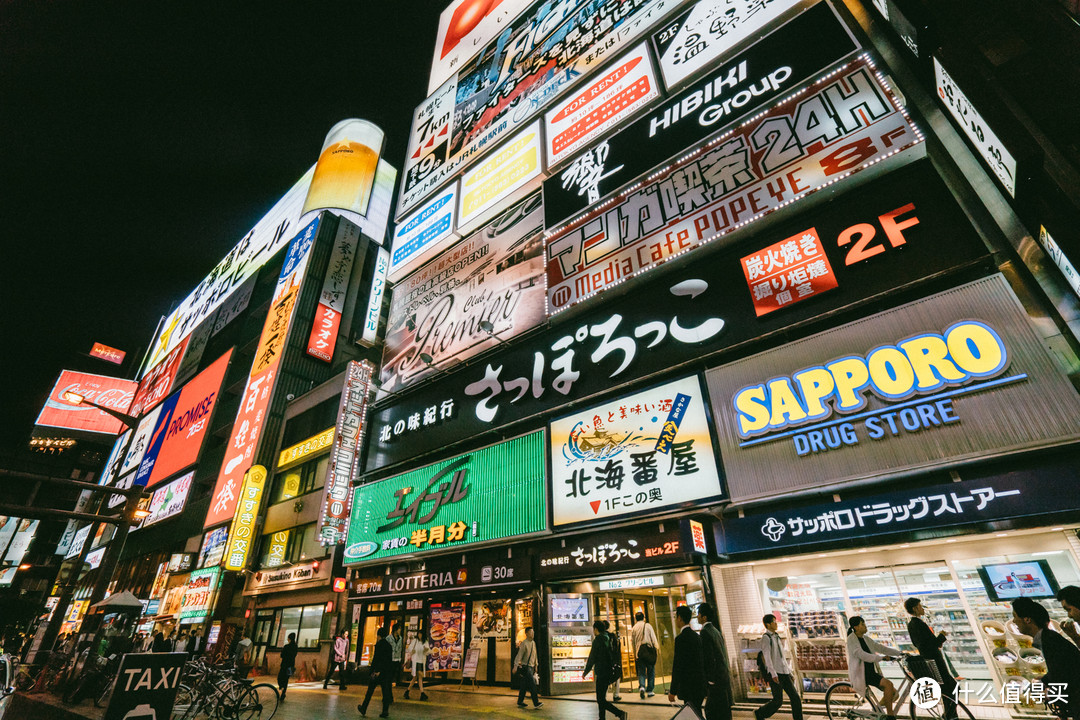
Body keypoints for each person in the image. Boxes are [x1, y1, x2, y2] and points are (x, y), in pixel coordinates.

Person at [1013, 597, 1080, 720]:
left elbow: (1064, 675)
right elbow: (1061, 668)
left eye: (1015, 616)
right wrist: (1045, 680)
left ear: (1027, 619)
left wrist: (1048, 693)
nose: (1014, 621)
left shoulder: (1049, 640)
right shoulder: (1048, 637)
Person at [905, 598, 958, 719]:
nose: (922, 608)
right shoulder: (918, 624)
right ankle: (949, 715)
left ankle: (950, 715)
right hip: (935, 662)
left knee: (948, 689)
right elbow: (931, 645)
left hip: (931, 662)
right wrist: (942, 636)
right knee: (953, 688)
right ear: (915, 608)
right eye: (920, 606)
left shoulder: (912, 625)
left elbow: (920, 644)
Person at [845, 616, 903, 719]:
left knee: (894, 694)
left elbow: (880, 648)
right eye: (862, 624)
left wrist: (899, 653)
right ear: (856, 627)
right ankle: (890, 716)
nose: (865, 626)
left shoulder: (865, 639)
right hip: (862, 674)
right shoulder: (851, 639)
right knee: (888, 685)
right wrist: (880, 658)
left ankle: (877, 710)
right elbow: (861, 654)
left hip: (871, 672)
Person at [756, 614, 803, 720]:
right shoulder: (766, 638)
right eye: (774, 622)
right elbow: (767, 657)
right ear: (768, 624)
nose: (776, 623)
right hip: (776, 673)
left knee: (795, 698)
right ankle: (760, 713)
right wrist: (773, 673)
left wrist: (789, 671)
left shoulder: (776, 636)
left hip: (784, 672)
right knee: (778, 701)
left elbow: (782, 657)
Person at [583, 619, 626, 720]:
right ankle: (602, 718)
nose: (593, 631)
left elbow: (592, 658)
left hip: (602, 672)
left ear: (596, 629)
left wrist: (586, 671)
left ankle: (619, 713)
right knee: (601, 697)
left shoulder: (598, 640)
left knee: (601, 699)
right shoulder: (610, 637)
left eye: (593, 629)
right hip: (609, 671)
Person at [669, 604, 706, 716]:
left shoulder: (680, 639)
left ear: (680, 618)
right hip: (699, 684)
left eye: (676, 617)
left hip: (688, 686)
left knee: (693, 714)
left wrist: (673, 690)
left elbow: (678, 665)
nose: (676, 620)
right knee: (695, 712)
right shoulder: (697, 637)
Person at [698, 604, 732, 720]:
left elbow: (709, 656)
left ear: (704, 617)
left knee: (711, 710)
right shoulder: (715, 631)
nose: (698, 617)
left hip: (715, 677)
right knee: (723, 707)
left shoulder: (705, 632)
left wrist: (710, 679)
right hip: (723, 675)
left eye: (699, 614)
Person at [358, 626, 394, 718]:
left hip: (377, 672)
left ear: (379, 635)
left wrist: (373, 671)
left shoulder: (379, 645)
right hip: (385, 672)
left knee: (370, 691)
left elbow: (376, 659)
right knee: (385, 692)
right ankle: (385, 711)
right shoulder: (389, 646)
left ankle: (364, 708)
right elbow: (388, 660)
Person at [631, 611, 659, 699]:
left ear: (635, 618)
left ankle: (642, 686)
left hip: (639, 652)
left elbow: (633, 642)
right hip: (649, 651)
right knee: (651, 671)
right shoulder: (648, 626)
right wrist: (656, 647)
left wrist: (635, 653)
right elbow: (653, 638)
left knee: (641, 672)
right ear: (643, 618)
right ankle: (650, 690)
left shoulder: (634, 628)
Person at [514, 626, 543, 708]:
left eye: (533, 632)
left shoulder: (533, 643)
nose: (532, 634)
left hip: (531, 667)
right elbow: (519, 655)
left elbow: (535, 654)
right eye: (531, 632)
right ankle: (536, 703)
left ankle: (520, 701)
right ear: (526, 633)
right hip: (526, 667)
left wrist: (536, 665)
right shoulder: (524, 643)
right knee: (532, 685)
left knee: (524, 685)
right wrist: (515, 666)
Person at [404, 630, 430, 700]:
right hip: (416, 661)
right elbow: (409, 648)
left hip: (421, 661)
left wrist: (425, 650)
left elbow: (428, 652)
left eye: (421, 634)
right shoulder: (415, 641)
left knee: (416, 678)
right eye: (419, 634)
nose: (419, 635)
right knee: (419, 676)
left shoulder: (425, 642)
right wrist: (412, 651)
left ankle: (408, 691)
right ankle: (422, 693)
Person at [604, 620, 623, 701]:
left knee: (604, 679)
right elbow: (617, 650)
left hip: (605, 662)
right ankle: (616, 695)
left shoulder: (601, 637)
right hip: (614, 660)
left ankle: (604, 696)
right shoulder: (613, 636)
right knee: (616, 678)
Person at [278, 633, 298, 702]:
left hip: (284, 665)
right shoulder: (295, 647)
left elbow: (282, 655)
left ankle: (281, 686)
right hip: (291, 666)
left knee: (280, 677)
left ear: (289, 638)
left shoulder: (286, 647)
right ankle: (283, 692)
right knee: (286, 679)